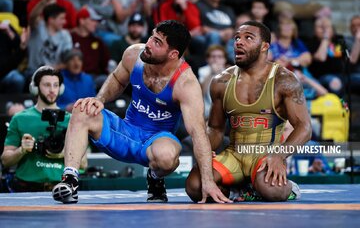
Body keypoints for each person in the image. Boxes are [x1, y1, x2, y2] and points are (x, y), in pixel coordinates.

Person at [52, 20, 230, 204]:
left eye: (158, 42)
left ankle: (154, 178)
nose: (149, 44)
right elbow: (117, 79)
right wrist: (100, 99)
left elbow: (198, 133)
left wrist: (208, 180)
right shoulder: (134, 55)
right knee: (82, 109)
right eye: (152, 37)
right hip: (124, 131)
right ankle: (70, 180)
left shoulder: (186, 84)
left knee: (168, 157)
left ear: (173, 54)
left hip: (156, 141)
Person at [185, 20, 312, 202]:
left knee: (271, 190)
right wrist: (205, 155)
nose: (239, 42)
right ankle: (237, 190)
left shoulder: (284, 80)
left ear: (264, 46)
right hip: (234, 155)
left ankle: (290, 188)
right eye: (237, 37)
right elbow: (216, 129)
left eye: (248, 38)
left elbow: (304, 128)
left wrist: (279, 155)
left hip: (266, 155)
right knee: (196, 186)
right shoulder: (221, 81)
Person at [1, 66, 87, 192]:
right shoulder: (20, 119)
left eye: (56, 85)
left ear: (61, 88)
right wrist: (22, 150)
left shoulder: (72, 120)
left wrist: (64, 153)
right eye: (47, 85)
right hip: (26, 189)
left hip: (62, 188)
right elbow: (5, 160)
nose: (52, 90)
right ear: (35, 88)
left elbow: (84, 164)